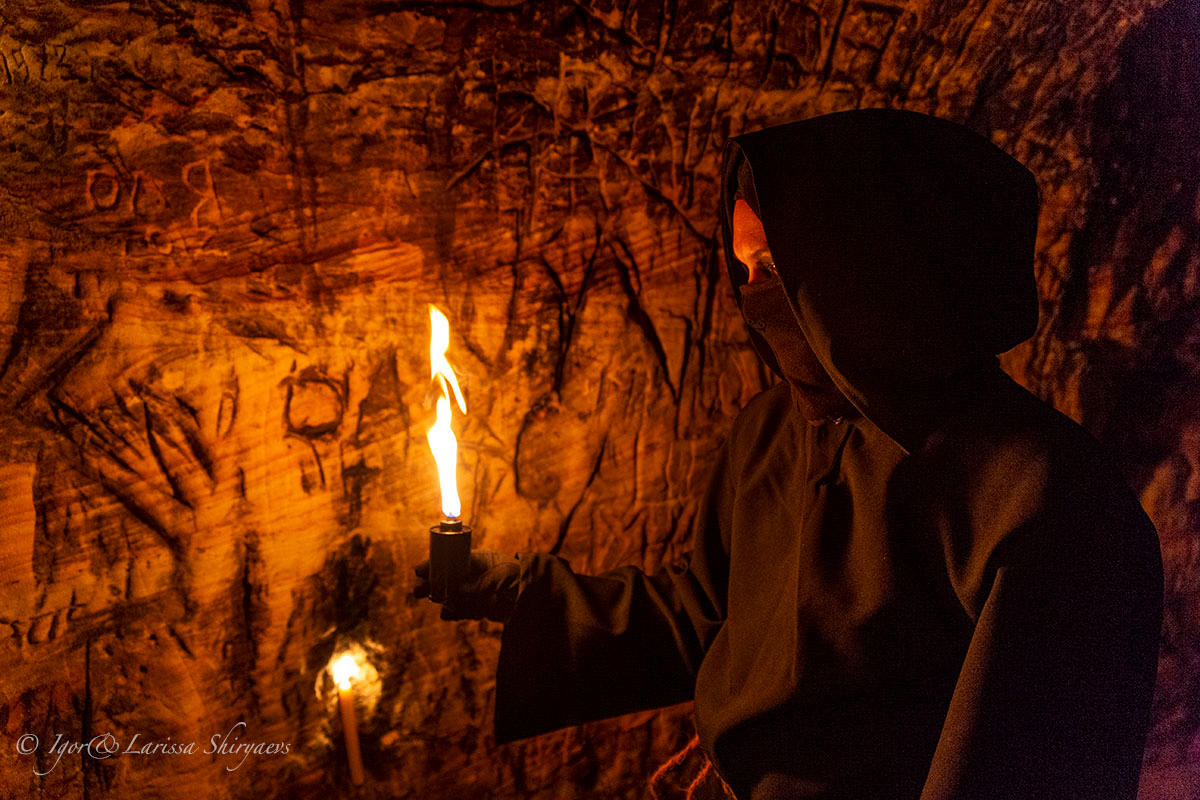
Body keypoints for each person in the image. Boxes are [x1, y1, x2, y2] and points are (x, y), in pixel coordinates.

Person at [413, 109, 1163, 800]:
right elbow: (706, 614)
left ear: (869, 266)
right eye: (741, 272)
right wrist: (508, 590)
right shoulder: (774, 431)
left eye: (772, 268)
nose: (752, 299)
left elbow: (1021, 774)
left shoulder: (1048, 503)